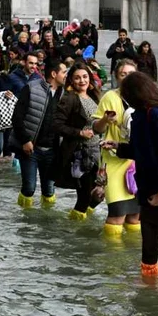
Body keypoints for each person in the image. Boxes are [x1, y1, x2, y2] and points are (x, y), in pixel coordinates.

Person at [102, 71, 158, 287]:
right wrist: (119, 148)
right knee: (148, 252)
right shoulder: (140, 117)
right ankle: (149, 293)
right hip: (148, 192)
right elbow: (144, 151)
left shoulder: (157, 116)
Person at [92, 59, 141, 241]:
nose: (128, 78)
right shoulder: (110, 97)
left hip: (137, 161)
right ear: (116, 77)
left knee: (136, 215)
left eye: (131, 74)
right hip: (113, 161)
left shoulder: (143, 98)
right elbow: (96, 129)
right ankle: (112, 260)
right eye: (123, 74)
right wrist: (105, 120)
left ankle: (133, 255)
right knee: (117, 213)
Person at [11, 59, 67, 208]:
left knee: (49, 191)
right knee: (29, 188)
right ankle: (25, 220)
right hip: (31, 149)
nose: (66, 75)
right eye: (64, 72)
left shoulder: (66, 94)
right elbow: (17, 117)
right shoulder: (31, 88)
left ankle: (47, 222)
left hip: (52, 151)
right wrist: (25, 140)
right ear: (54, 74)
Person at [52, 62, 102, 220]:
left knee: (101, 193)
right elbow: (56, 125)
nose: (82, 81)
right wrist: (79, 132)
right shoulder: (70, 99)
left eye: (85, 77)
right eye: (77, 78)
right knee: (85, 196)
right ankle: (76, 232)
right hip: (80, 154)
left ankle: (82, 219)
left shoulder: (94, 96)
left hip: (97, 152)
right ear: (71, 81)